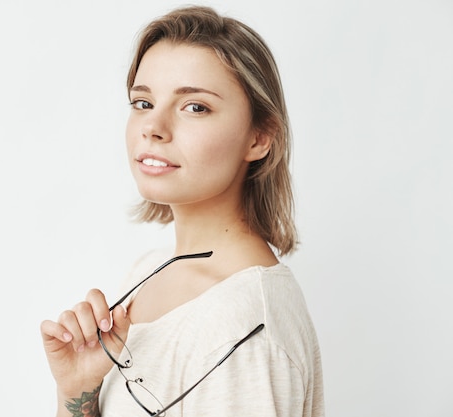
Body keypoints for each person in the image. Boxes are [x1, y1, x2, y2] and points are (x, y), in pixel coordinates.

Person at [40, 5, 324, 417]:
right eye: (142, 102)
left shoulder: (244, 328)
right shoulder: (149, 272)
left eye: (195, 107)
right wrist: (78, 392)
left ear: (260, 138)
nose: (153, 126)